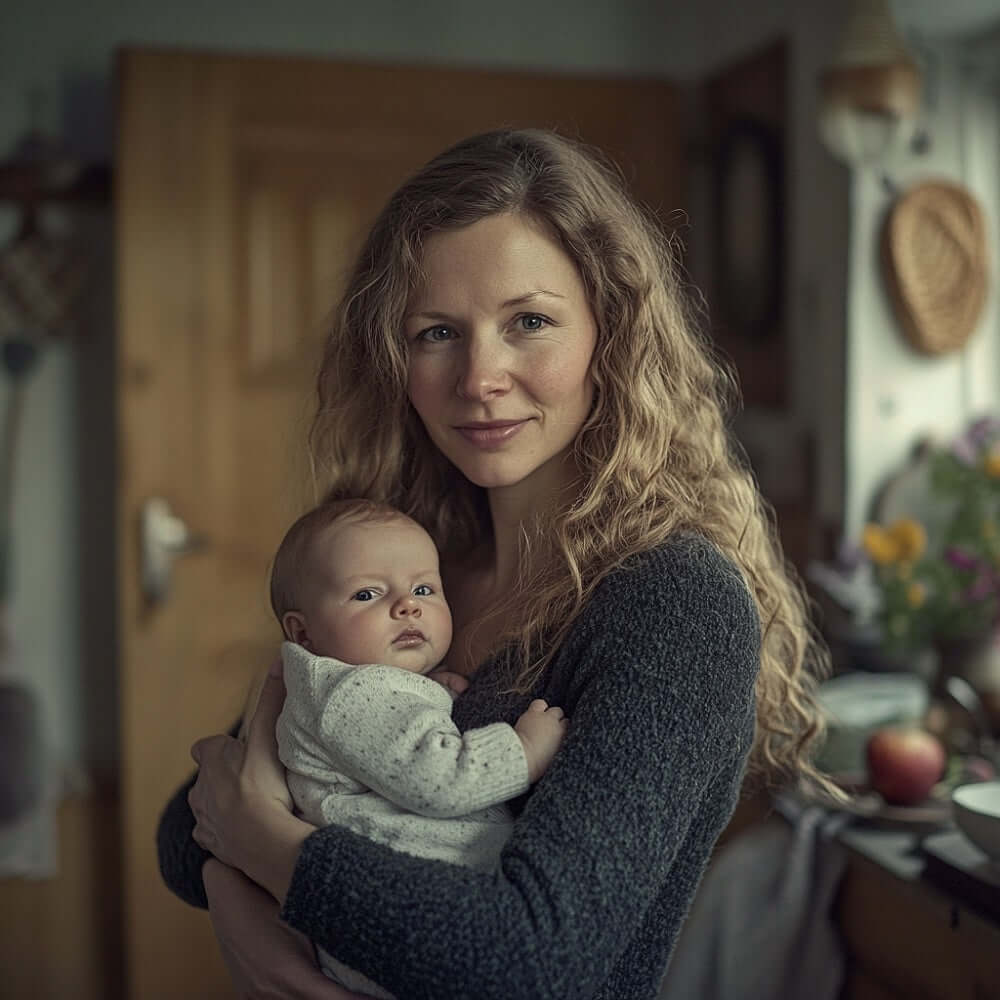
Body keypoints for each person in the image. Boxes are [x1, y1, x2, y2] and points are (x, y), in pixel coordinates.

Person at [157, 127, 835, 1000]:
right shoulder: (407, 563)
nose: (480, 376)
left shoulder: (675, 604)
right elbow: (190, 828)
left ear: (611, 331)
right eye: (438, 331)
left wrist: (261, 850)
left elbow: (529, 960)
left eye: (529, 322)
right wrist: (232, 894)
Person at [269, 497, 568, 997]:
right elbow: (434, 781)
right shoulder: (353, 694)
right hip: (397, 934)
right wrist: (522, 750)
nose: (407, 605)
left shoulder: (346, 687)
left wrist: (430, 691)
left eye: (424, 589)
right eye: (367, 594)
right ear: (304, 633)